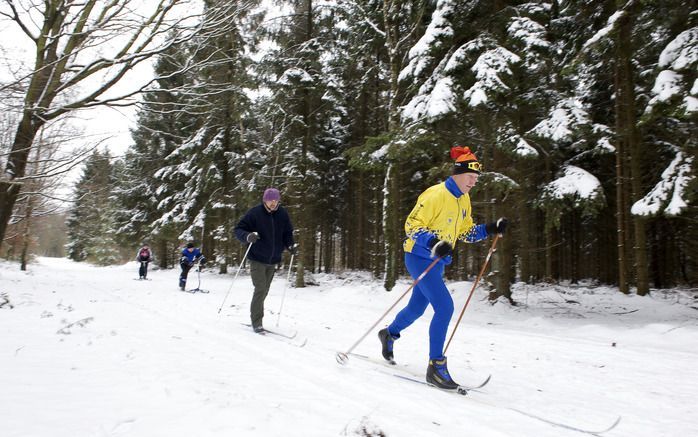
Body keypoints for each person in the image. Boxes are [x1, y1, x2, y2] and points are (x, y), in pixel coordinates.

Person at [378, 146, 507, 390]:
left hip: (438, 262)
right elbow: (411, 225)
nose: (473, 182)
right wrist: (433, 242)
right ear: (458, 173)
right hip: (418, 257)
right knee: (445, 307)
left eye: (476, 179)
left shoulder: (464, 200)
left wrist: (490, 228)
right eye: (470, 177)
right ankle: (436, 366)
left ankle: (389, 333)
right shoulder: (435, 195)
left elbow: (466, 232)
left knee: (417, 308)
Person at [234, 187, 296, 333]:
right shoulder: (255, 213)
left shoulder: (282, 214)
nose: (273, 203)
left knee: (264, 290)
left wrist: (291, 245)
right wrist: (248, 236)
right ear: (265, 200)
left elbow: (287, 233)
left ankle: (256, 315)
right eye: (270, 200)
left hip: (273, 259)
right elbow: (239, 229)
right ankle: (257, 322)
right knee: (260, 289)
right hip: (257, 258)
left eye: (276, 200)